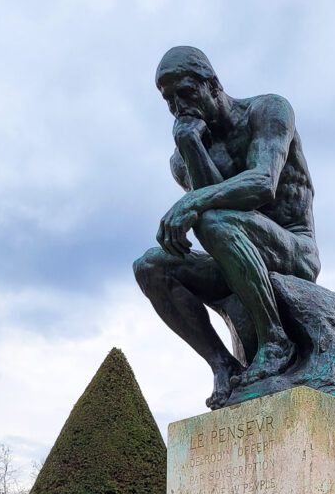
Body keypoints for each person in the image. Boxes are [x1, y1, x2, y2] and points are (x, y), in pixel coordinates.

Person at [133, 46, 321, 409]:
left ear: (213, 85)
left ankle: (275, 341)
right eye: (168, 100)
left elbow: (263, 183)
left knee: (210, 215)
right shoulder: (183, 154)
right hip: (231, 250)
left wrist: (192, 202)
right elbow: (210, 200)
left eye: (185, 92)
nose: (178, 107)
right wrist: (189, 144)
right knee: (150, 266)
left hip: (292, 249)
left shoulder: (267, 110)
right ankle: (223, 366)